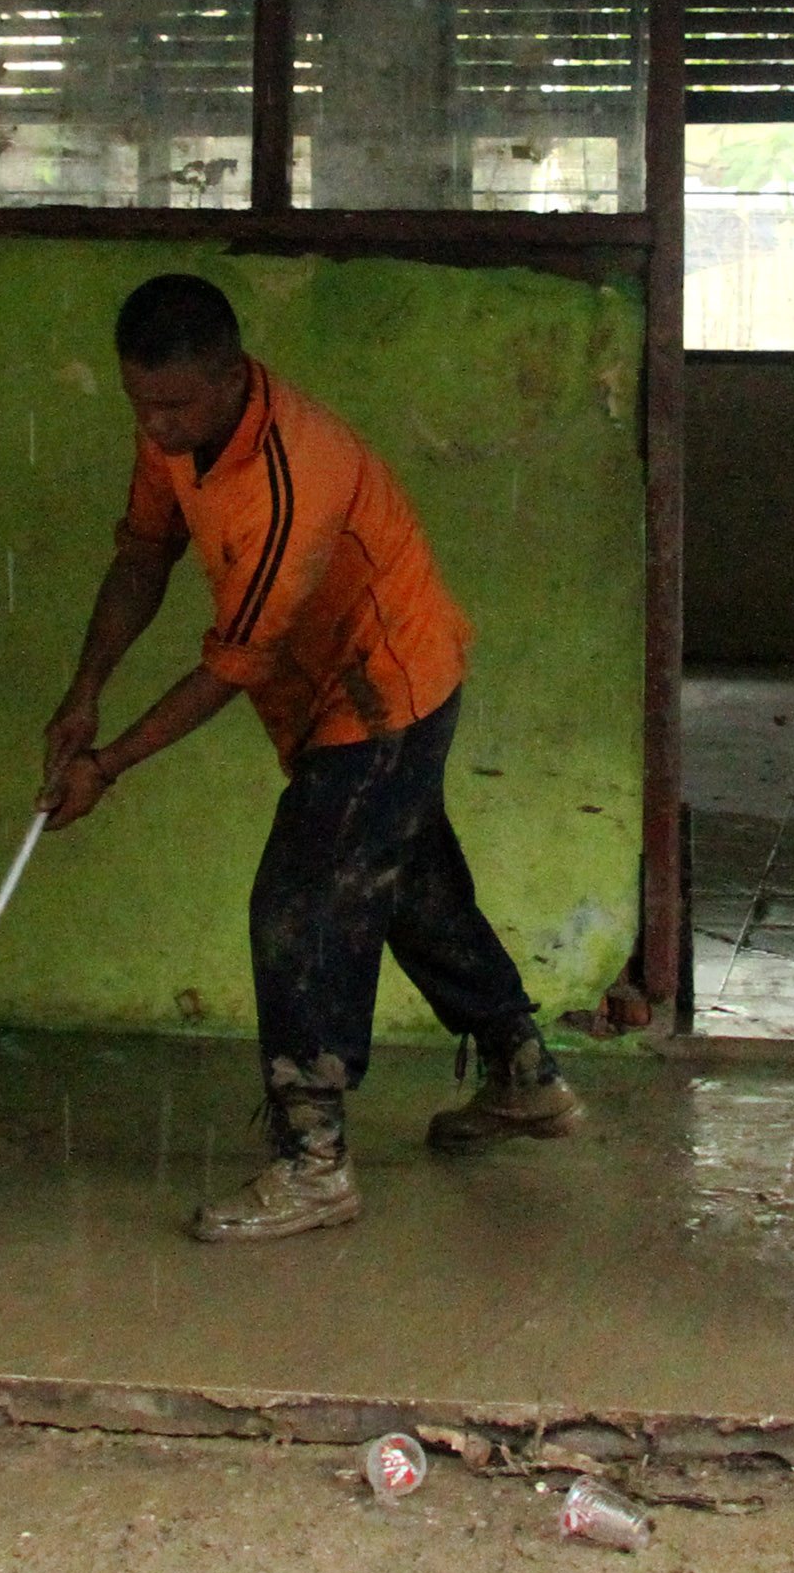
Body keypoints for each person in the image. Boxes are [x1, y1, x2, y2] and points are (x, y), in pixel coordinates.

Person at [39, 272, 580, 1241]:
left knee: (304, 900)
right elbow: (142, 553)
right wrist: (82, 695)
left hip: (384, 688)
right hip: (323, 691)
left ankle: (314, 1161)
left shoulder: (293, 478)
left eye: (172, 406)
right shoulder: (174, 432)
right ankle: (523, 1075)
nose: (154, 427)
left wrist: (109, 764)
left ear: (231, 374)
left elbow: (229, 668)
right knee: (402, 882)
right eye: (139, 404)